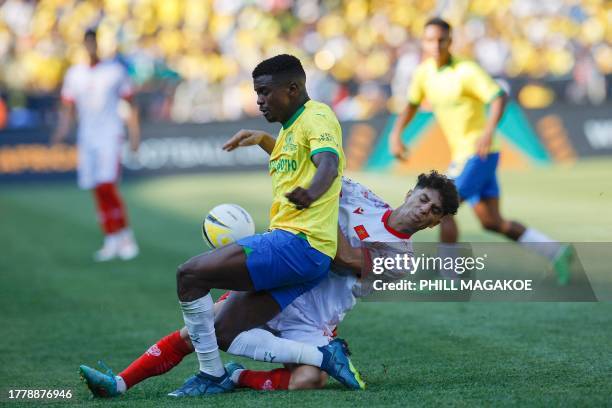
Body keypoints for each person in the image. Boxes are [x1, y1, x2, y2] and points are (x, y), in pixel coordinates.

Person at [78, 171, 460, 396]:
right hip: (280, 280)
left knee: (309, 380)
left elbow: (345, 260)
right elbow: (317, 176)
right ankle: (119, 383)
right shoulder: (362, 196)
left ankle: (235, 376)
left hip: (312, 321)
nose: (424, 209)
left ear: (434, 223)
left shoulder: (402, 259)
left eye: (434, 210)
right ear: (410, 193)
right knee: (197, 332)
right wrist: (269, 145)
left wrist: (322, 216)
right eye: (424, 198)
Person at [167, 54, 362, 396]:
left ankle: (211, 375)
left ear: (293, 88)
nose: (258, 101)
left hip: (298, 243)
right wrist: (263, 140)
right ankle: (322, 356)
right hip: (306, 255)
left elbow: (328, 165)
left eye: (264, 92)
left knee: (190, 274)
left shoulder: (318, 116)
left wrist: (312, 193)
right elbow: (296, 160)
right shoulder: (290, 128)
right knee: (224, 331)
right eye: (256, 93)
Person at [389, 17, 572, 283]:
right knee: (492, 222)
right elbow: (412, 104)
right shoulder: (423, 73)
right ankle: (557, 252)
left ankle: (447, 275)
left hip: (478, 154)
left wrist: (487, 132)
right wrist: (396, 134)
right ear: (424, 42)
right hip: (465, 157)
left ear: (450, 41)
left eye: (442, 40)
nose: (436, 45)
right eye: (430, 40)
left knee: (442, 205)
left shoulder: (466, 70)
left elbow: (499, 96)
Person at [51, 28, 140, 262]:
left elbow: (130, 103)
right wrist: (61, 132)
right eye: (87, 42)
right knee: (95, 188)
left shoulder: (114, 71)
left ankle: (126, 236)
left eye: (93, 42)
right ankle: (111, 237)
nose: (90, 46)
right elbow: (68, 108)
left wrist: (134, 135)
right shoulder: (75, 74)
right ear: (83, 45)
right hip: (87, 137)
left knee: (107, 185)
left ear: (98, 44)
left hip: (110, 135)